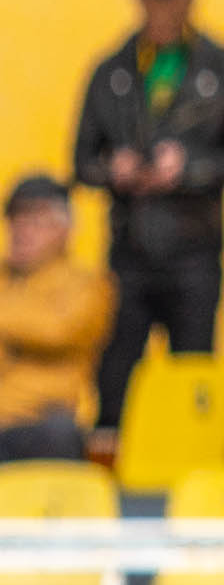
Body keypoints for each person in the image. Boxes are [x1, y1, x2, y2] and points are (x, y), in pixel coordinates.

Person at [71, 0, 224, 437]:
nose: (162, 13)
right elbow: (80, 162)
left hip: (195, 252)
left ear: (190, 0)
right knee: (116, 377)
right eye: (153, 0)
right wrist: (113, 169)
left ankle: (190, 467)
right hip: (129, 250)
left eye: (172, 1)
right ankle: (111, 465)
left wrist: (192, 167)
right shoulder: (112, 70)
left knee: (192, 380)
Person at [0, 177, 113, 462]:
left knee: (59, 433)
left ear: (64, 230)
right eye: (15, 220)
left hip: (36, 421)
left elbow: (58, 330)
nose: (22, 231)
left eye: (35, 222)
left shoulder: (84, 284)